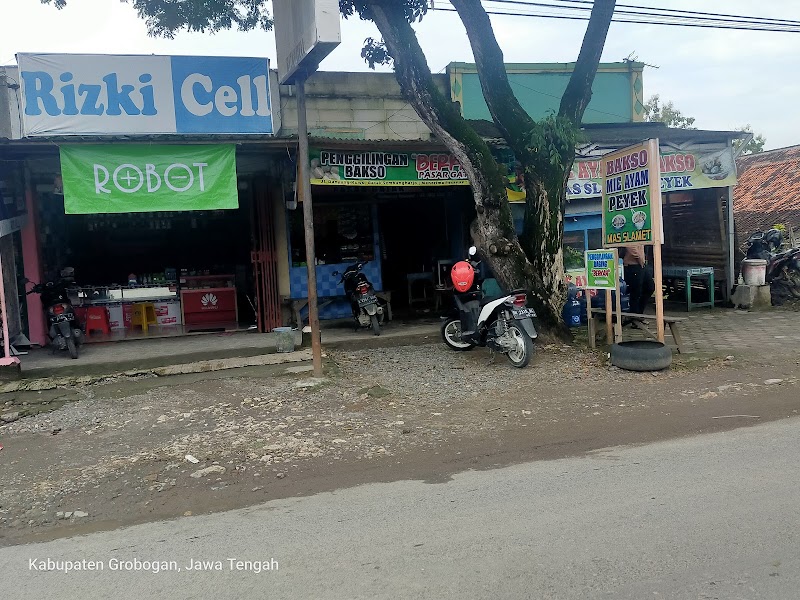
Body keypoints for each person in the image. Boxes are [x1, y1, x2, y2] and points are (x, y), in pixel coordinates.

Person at [622, 244, 655, 314]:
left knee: (650, 287)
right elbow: (630, 246)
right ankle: (634, 316)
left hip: (641, 265)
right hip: (632, 265)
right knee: (635, 292)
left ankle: (639, 314)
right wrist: (640, 260)